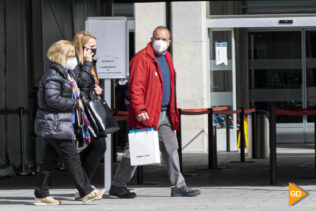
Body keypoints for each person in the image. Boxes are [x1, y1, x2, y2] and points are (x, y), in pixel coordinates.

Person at [109, 26, 201, 198]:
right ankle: (118, 185)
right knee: (135, 150)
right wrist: (140, 109)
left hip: (165, 113)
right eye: (157, 38)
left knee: (171, 148)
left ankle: (178, 186)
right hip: (147, 113)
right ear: (151, 39)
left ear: (170, 42)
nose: (160, 42)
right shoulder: (141, 58)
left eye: (164, 39)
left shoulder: (167, 57)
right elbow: (135, 88)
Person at [34, 40, 105, 205]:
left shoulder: (65, 73)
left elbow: (81, 81)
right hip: (56, 124)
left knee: (50, 159)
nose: (74, 59)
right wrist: (75, 102)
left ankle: (41, 192)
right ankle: (86, 191)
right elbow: (52, 100)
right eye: (71, 55)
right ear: (61, 56)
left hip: (58, 123)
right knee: (72, 157)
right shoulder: (52, 75)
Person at [72, 31, 107, 198]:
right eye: (91, 47)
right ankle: (83, 185)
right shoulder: (75, 62)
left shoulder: (89, 62)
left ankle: (83, 185)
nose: (94, 50)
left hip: (90, 106)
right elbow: (79, 82)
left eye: (95, 47)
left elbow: (89, 83)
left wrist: (98, 89)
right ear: (82, 47)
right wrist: (87, 63)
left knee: (97, 145)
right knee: (99, 145)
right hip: (81, 110)